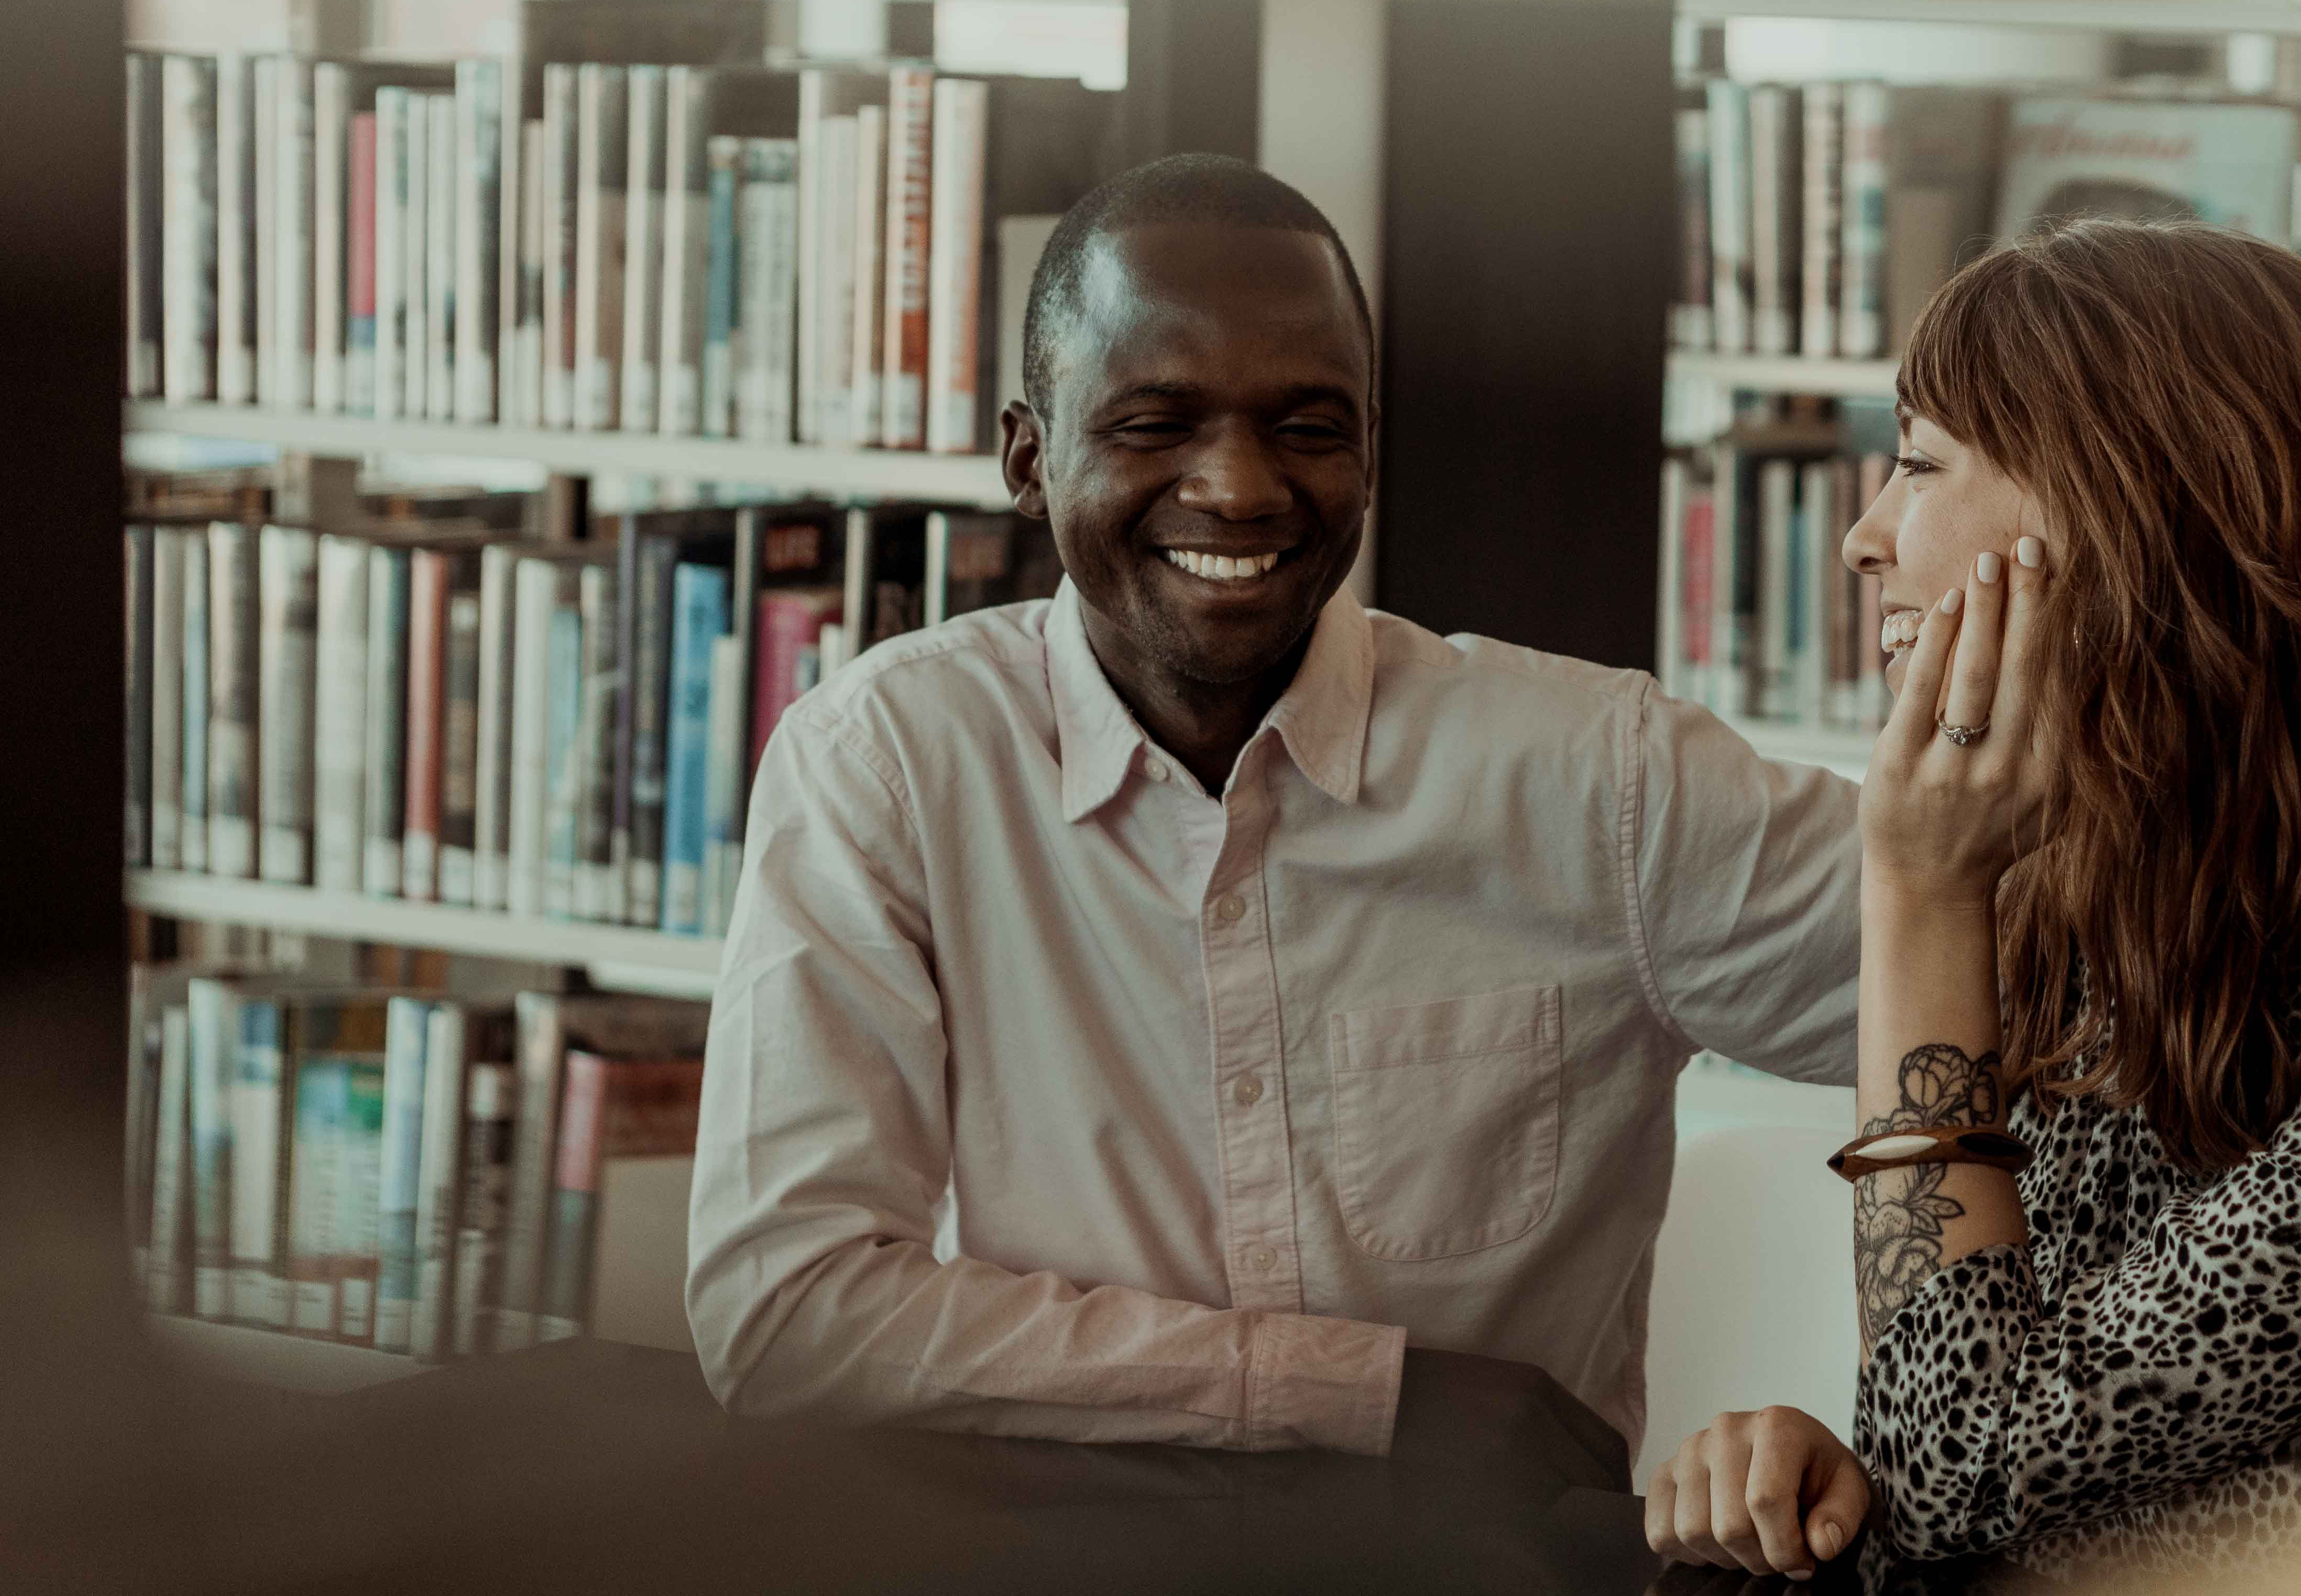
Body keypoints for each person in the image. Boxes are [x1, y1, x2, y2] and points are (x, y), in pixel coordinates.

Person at [687, 154, 1859, 1470]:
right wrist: (1371, 1394)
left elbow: (2041, 995)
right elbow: (785, 1312)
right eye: (1154, 423)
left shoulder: (1605, 778)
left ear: (1368, 447)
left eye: (1306, 425)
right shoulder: (890, 762)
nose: (1240, 487)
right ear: (1029, 457)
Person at [1644, 219, 2301, 1576]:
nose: (1864, 538)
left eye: (1917, 465)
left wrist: (1919, 892)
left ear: (2132, 516)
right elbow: (1995, 1458)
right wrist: (1838, 1485)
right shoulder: (2098, 911)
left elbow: (1975, 1461)